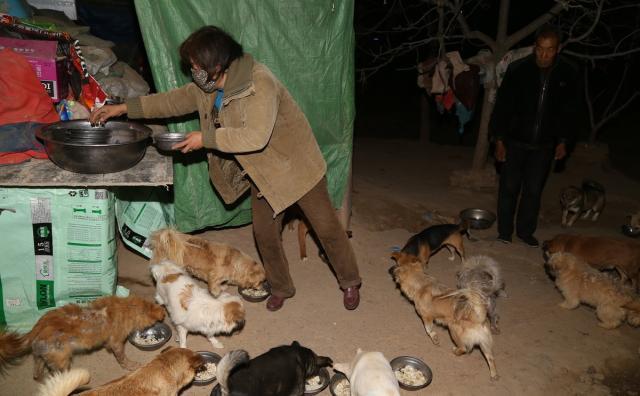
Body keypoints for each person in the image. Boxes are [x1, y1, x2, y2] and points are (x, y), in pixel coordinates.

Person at [90, 26, 361, 311]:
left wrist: (204, 138)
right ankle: (281, 286)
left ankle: (351, 281)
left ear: (217, 65)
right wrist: (122, 109)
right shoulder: (208, 88)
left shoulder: (260, 83)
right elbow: (170, 101)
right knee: (265, 234)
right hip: (263, 172)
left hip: (297, 167)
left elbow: (255, 136)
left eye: (197, 66)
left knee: (327, 228)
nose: (193, 71)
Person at [490, 25, 580, 248]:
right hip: (515, 142)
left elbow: (570, 111)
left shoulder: (568, 73)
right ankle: (504, 231)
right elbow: (502, 108)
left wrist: (563, 141)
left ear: (557, 50)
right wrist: (499, 140)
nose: (544, 54)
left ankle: (525, 231)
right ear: (534, 48)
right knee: (508, 188)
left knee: (533, 191)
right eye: (540, 49)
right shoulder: (517, 70)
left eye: (549, 50)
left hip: (544, 146)